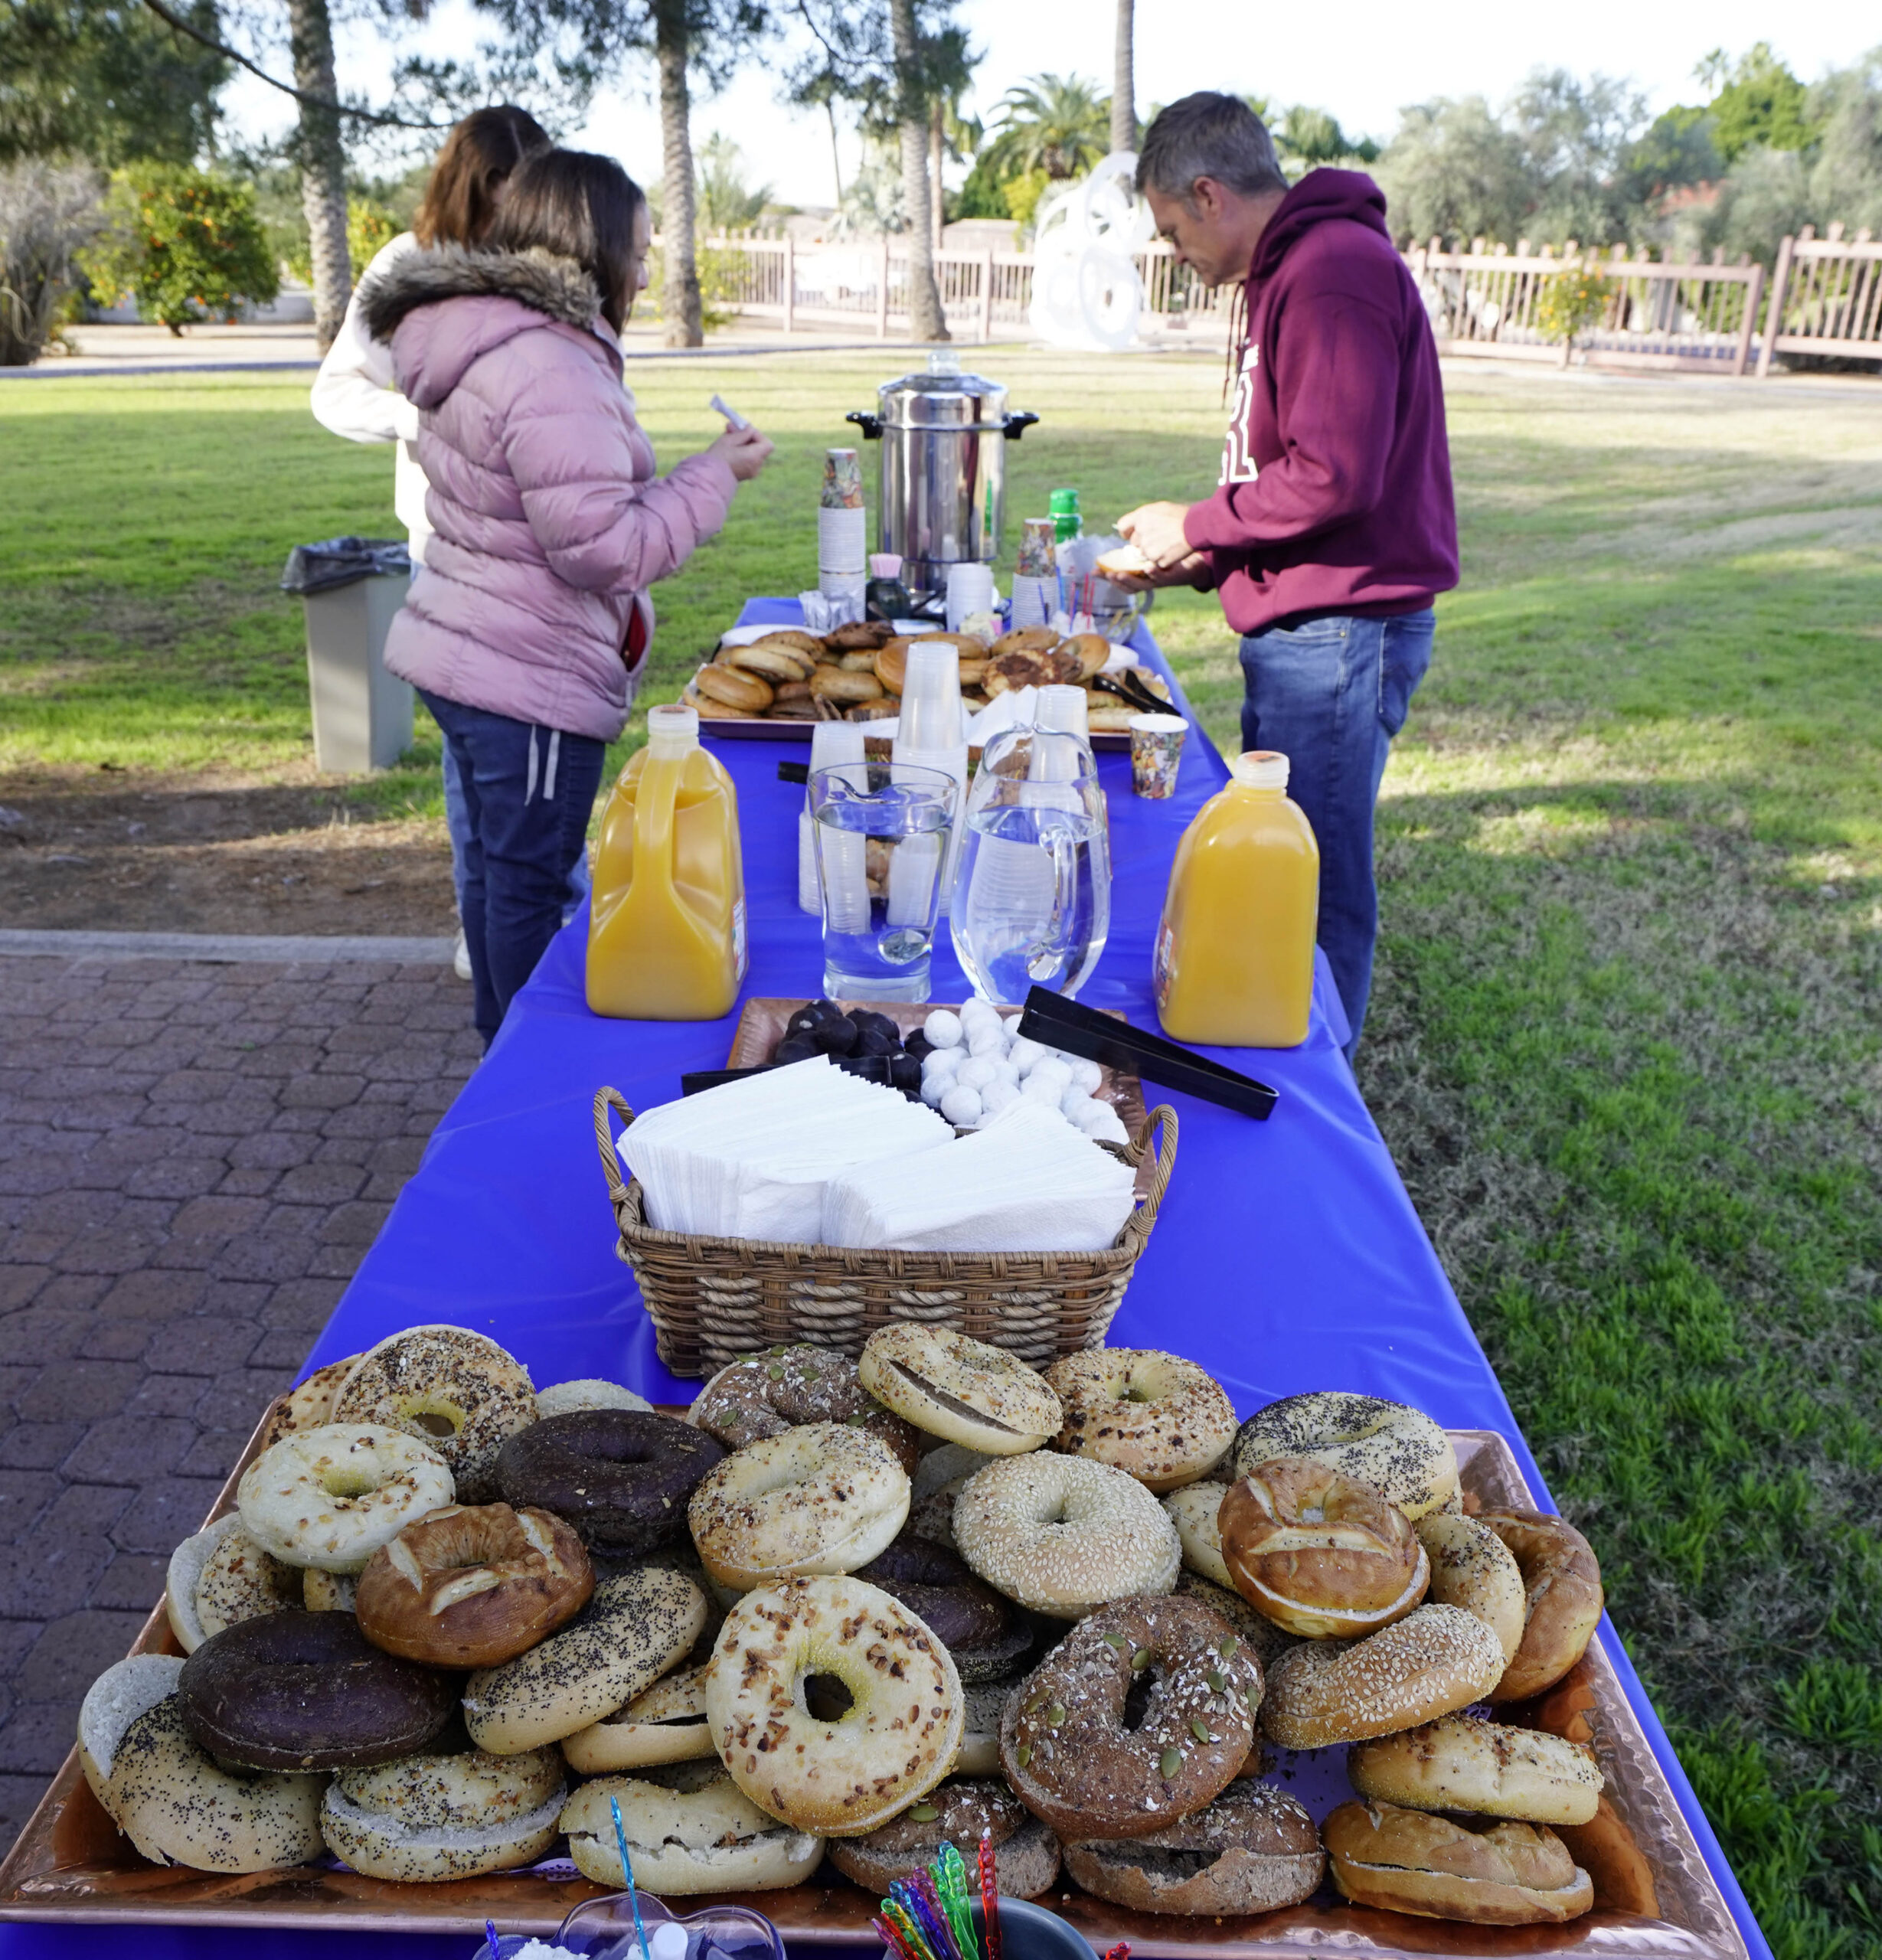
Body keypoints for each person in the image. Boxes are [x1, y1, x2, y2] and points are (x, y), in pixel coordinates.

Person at [360, 148, 773, 1045]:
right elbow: (605, 548)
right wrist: (715, 475)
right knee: (529, 886)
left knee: (494, 873)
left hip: (468, 646)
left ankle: (496, 1047)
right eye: (639, 245)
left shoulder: (483, 333)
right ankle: (520, 1061)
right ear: (590, 246)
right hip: (526, 676)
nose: (647, 266)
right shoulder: (549, 363)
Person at [1115, 93, 1458, 1057]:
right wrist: (1197, 552)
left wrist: (1197, 521)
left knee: (1311, 876)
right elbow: (1291, 475)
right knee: (1287, 865)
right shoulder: (1289, 274)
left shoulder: (1333, 271)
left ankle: (1317, 1085)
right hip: (1308, 621)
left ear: (1210, 193)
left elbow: (1333, 475)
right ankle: (1282, 1042)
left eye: (1172, 228)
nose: (1174, 251)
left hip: (1339, 630)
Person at [309, 105, 554, 981]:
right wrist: (420, 414)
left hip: (544, 560)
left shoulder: (544, 265)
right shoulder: (406, 268)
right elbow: (335, 393)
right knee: (474, 764)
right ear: (465, 183)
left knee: (536, 759)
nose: (509, 213)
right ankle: (481, 922)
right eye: (497, 192)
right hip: (446, 554)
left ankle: (529, 916)